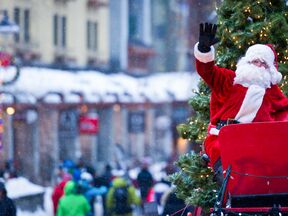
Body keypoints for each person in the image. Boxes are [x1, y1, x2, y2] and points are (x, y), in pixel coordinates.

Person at [194, 23, 288, 183]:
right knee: (229, 172)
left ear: (270, 70)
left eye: (263, 63)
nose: (258, 66)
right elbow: (207, 71)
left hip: (259, 146)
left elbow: (284, 113)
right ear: (247, 63)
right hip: (225, 140)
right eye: (255, 62)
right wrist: (204, 50)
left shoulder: (271, 92)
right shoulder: (229, 80)